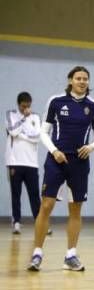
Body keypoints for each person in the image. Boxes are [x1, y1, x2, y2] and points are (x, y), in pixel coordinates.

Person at [27, 66, 94, 272]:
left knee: (76, 208)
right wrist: (54, 151)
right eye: (78, 78)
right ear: (70, 80)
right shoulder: (56, 101)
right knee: (46, 205)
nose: (82, 81)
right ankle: (37, 253)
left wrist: (92, 147)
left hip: (79, 162)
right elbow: (43, 132)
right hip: (56, 160)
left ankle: (70, 255)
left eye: (85, 79)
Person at [5, 92, 41, 235]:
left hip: (31, 163)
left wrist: (22, 135)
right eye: (23, 106)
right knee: (16, 194)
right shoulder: (11, 114)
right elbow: (13, 132)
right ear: (18, 104)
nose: (26, 109)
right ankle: (16, 223)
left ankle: (40, 223)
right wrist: (23, 121)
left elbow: (37, 137)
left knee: (34, 194)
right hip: (15, 162)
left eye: (28, 106)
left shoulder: (36, 117)